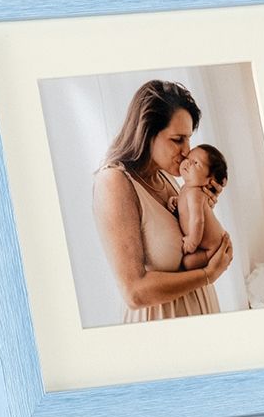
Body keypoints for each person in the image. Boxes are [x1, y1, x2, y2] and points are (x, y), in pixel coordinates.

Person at [93, 80, 233, 323]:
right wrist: (207, 275)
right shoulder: (114, 182)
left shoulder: (165, 176)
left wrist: (203, 205)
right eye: (178, 139)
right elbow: (134, 292)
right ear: (147, 134)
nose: (187, 151)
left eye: (189, 139)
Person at [175, 145, 229, 272]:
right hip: (206, 241)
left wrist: (192, 242)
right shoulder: (186, 188)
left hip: (214, 246)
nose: (188, 162)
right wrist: (175, 201)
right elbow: (185, 205)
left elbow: (197, 220)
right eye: (188, 158)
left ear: (210, 181)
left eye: (196, 163)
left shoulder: (196, 194)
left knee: (188, 263)